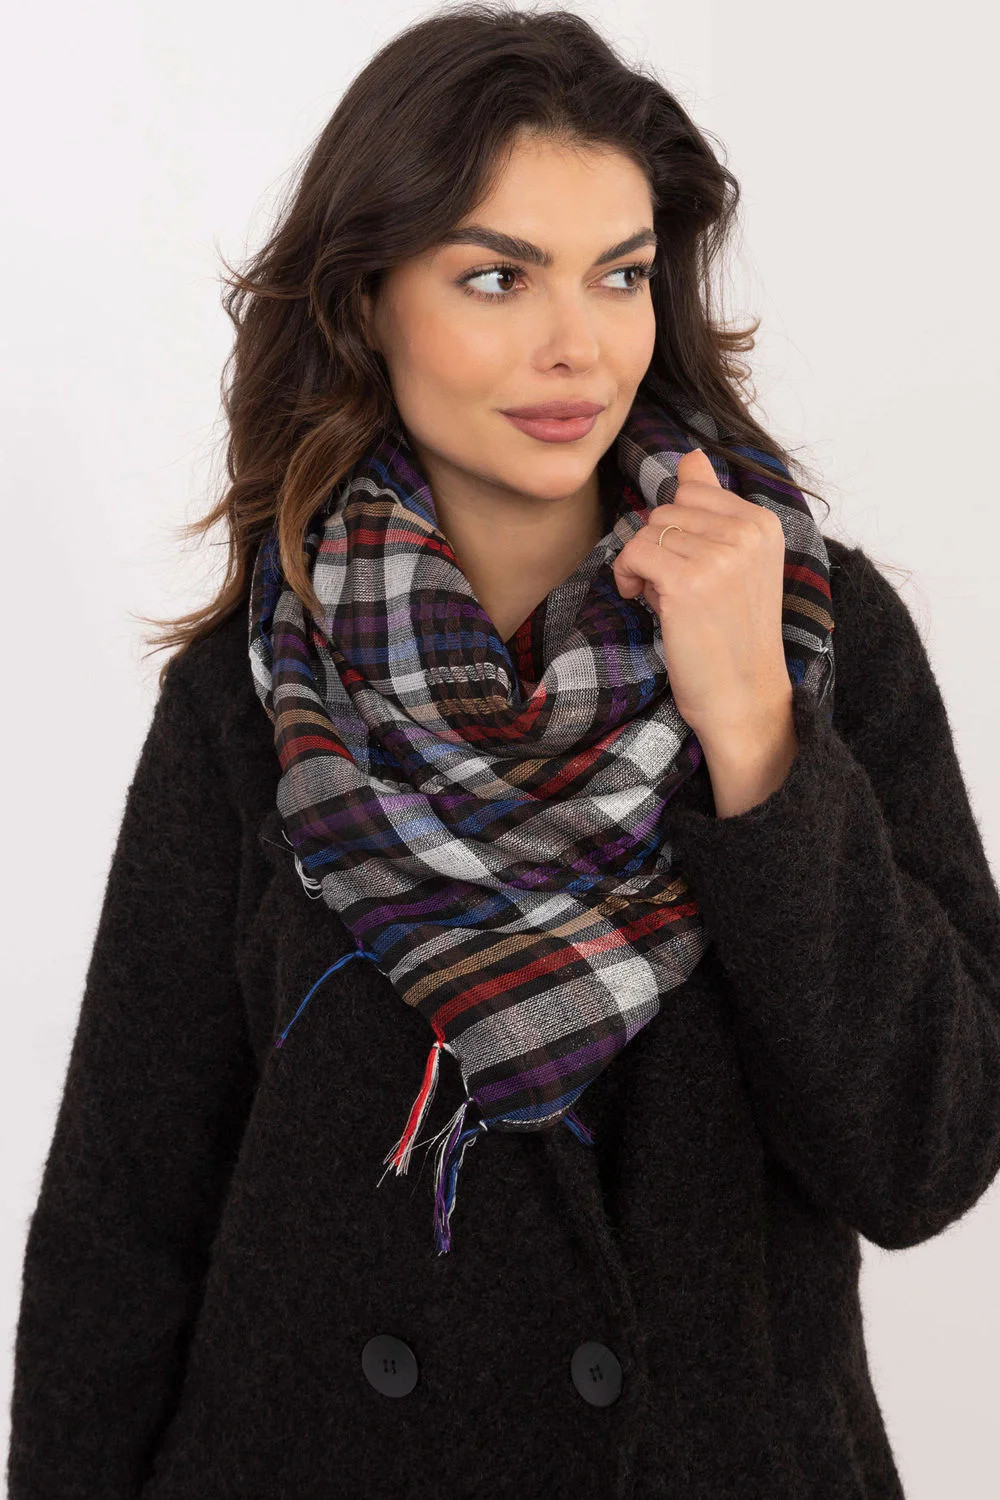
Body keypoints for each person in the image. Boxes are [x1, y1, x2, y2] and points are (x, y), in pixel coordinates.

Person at [8, 6, 1000, 1498]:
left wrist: (755, 731)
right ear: (367, 304)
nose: (576, 345)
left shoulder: (810, 630)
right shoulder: (260, 688)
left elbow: (923, 1156)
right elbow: (125, 1216)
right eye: (496, 276)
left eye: (621, 274)